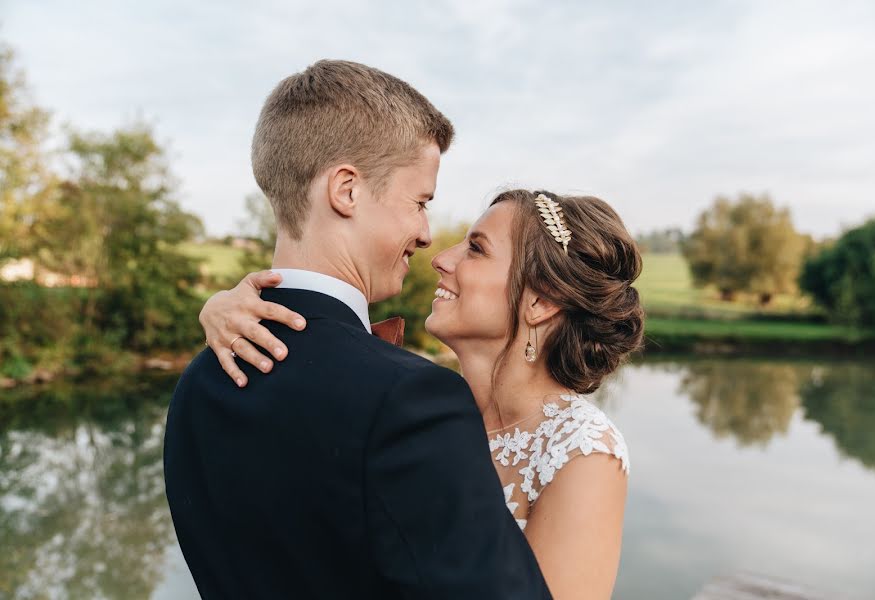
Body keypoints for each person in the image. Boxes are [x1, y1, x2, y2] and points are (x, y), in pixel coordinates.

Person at [164, 60, 551, 599]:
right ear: (346, 190)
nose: (424, 234)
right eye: (419, 202)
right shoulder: (412, 400)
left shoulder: (199, 384)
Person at [202, 187, 645, 598]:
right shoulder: (415, 407)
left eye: (476, 248)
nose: (441, 258)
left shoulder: (580, 451)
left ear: (541, 301)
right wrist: (226, 309)